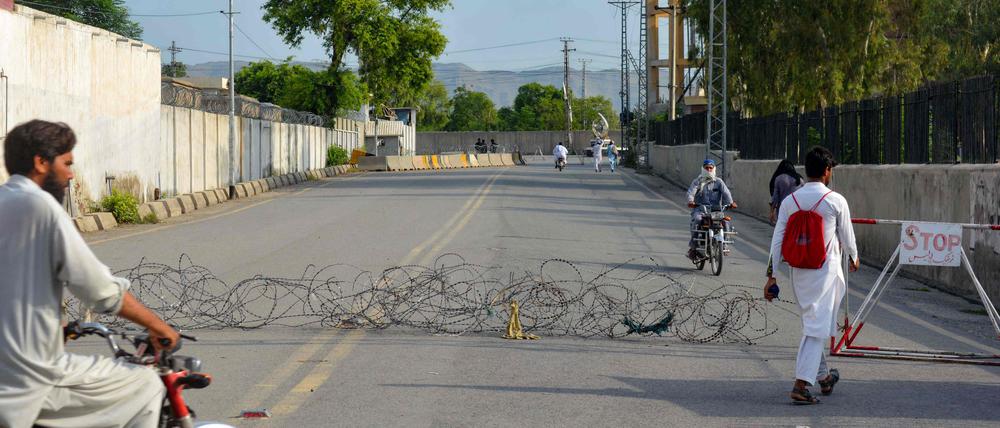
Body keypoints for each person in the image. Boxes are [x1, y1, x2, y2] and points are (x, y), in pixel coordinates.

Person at [0, 120, 180, 427]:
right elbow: (98, 289)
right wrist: (158, 327)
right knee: (146, 383)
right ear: (41, 162)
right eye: (67, 163)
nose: (71, 174)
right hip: (32, 375)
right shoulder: (41, 206)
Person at [765, 146, 858, 405]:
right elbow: (847, 236)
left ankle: (824, 377)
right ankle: (801, 385)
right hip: (825, 273)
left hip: (799, 273)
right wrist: (853, 256)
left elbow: (777, 240)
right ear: (827, 171)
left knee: (814, 324)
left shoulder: (790, 201)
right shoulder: (835, 200)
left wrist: (771, 275)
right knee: (816, 327)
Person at [686, 159, 737, 260]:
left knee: (726, 223)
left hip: (716, 211)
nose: (709, 170)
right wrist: (691, 201)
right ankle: (693, 247)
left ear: (714, 169)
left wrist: (731, 203)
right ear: (703, 169)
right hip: (700, 209)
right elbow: (691, 192)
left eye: (711, 168)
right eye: (706, 168)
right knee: (697, 220)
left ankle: (724, 245)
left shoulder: (719, 182)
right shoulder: (698, 181)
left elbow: (726, 193)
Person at [769, 159, 804, 225]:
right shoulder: (799, 179)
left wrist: (771, 211)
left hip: (782, 209)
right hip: (796, 210)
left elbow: (775, 198)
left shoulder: (778, 179)